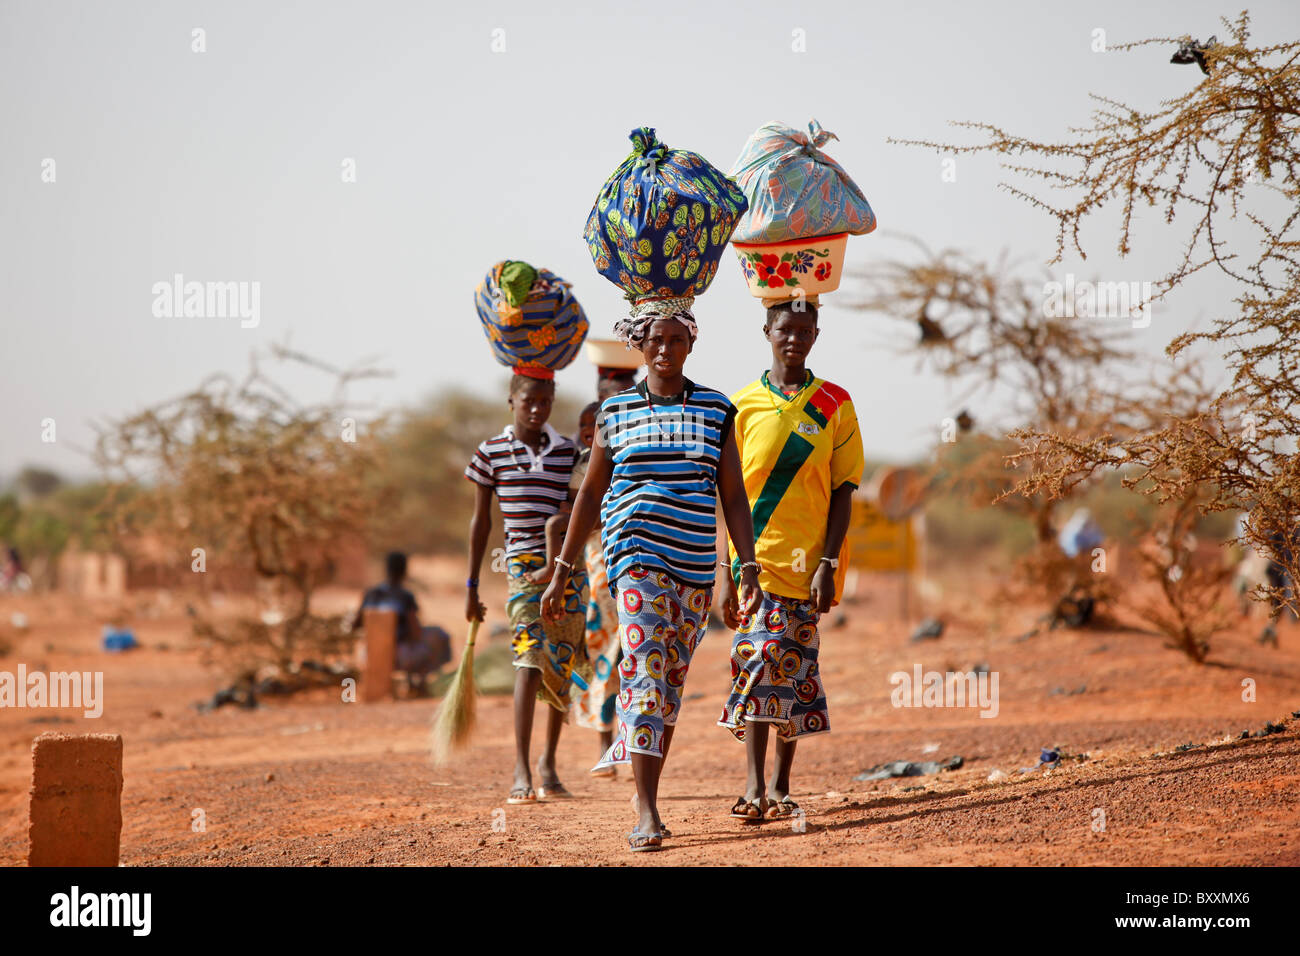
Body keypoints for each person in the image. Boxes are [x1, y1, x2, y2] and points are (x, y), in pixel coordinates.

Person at [541, 301, 762, 851]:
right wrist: (562, 569)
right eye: (654, 340)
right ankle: (645, 811)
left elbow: (731, 496)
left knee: (667, 688)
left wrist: (744, 566)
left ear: (691, 344)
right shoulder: (615, 412)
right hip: (635, 558)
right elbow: (591, 492)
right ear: (639, 347)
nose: (664, 349)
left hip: (693, 566)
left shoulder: (715, 410)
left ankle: (648, 794)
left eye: (675, 340)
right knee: (642, 672)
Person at [716, 302, 865, 822]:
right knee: (759, 661)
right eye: (786, 329)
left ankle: (780, 785)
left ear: (816, 335)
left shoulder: (836, 404)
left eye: (805, 331)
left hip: (809, 565)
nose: (795, 338)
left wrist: (827, 561)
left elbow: (844, 491)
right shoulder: (739, 407)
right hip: (752, 562)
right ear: (766, 332)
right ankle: (754, 787)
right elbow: (726, 496)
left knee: (793, 669)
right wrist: (724, 572)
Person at [465, 371, 593, 805]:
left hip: (568, 568)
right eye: (529, 401)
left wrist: (563, 559)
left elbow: (578, 506)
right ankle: (520, 768)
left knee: (561, 662)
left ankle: (549, 766)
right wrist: (472, 584)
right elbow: (481, 522)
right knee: (527, 659)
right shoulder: (491, 453)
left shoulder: (567, 453)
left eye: (545, 401)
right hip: (522, 567)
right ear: (512, 402)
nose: (537, 409)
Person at [352, 551, 443, 696]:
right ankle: (419, 683)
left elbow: (355, 625)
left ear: (386, 569)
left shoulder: (371, 593)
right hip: (399, 657)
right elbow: (416, 632)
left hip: (368, 655)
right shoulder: (405, 596)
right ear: (405, 571)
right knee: (439, 638)